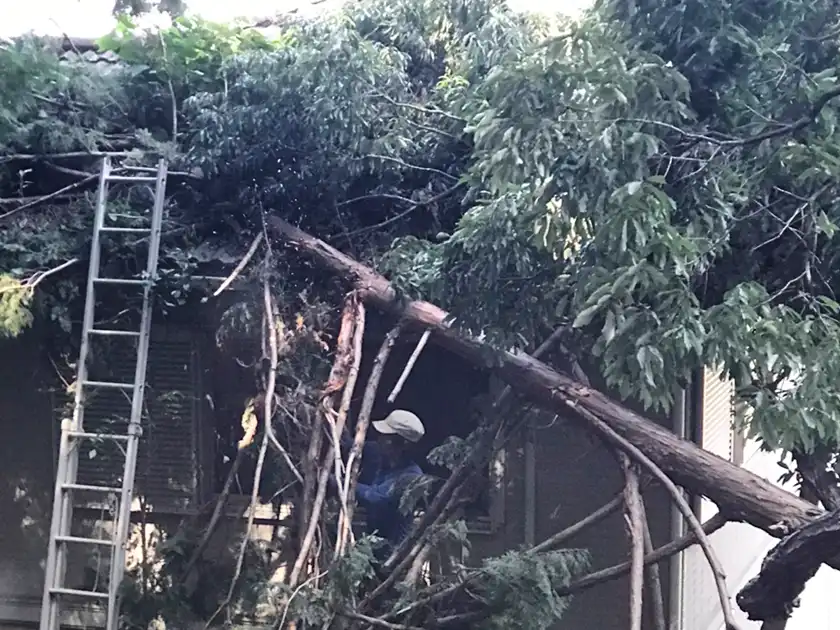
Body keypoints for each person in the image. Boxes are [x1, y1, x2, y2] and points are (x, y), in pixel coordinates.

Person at [339, 409, 425, 557]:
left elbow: (375, 497)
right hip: (372, 543)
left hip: (392, 554)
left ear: (401, 444)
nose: (379, 439)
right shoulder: (379, 454)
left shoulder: (411, 476)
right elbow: (352, 446)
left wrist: (338, 483)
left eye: (385, 436)